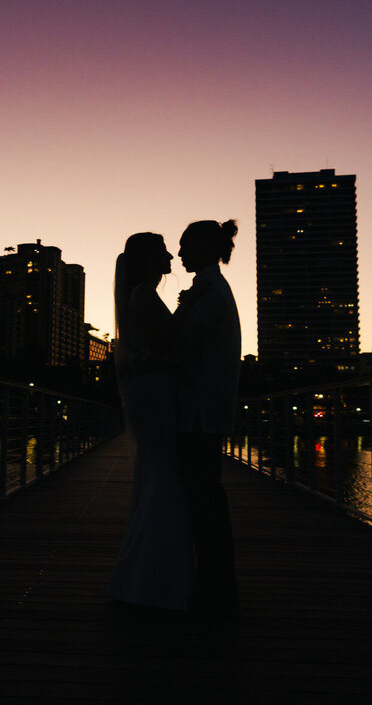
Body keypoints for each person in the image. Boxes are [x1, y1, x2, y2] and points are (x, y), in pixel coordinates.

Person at [107, 232, 196, 610]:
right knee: (163, 476)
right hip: (156, 397)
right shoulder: (143, 295)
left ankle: (150, 578)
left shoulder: (142, 295)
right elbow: (164, 348)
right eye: (163, 250)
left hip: (153, 395)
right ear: (148, 259)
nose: (172, 255)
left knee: (158, 476)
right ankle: (156, 581)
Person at [173, 219, 241, 613]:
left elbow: (184, 346)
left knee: (205, 498)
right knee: (205, 495)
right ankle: (215, 584)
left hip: (199, 409)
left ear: (202, 248)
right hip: (204, 407)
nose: (180, 254)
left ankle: (216, 589)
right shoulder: (212, 289)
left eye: (185, 246)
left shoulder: (211, 292)